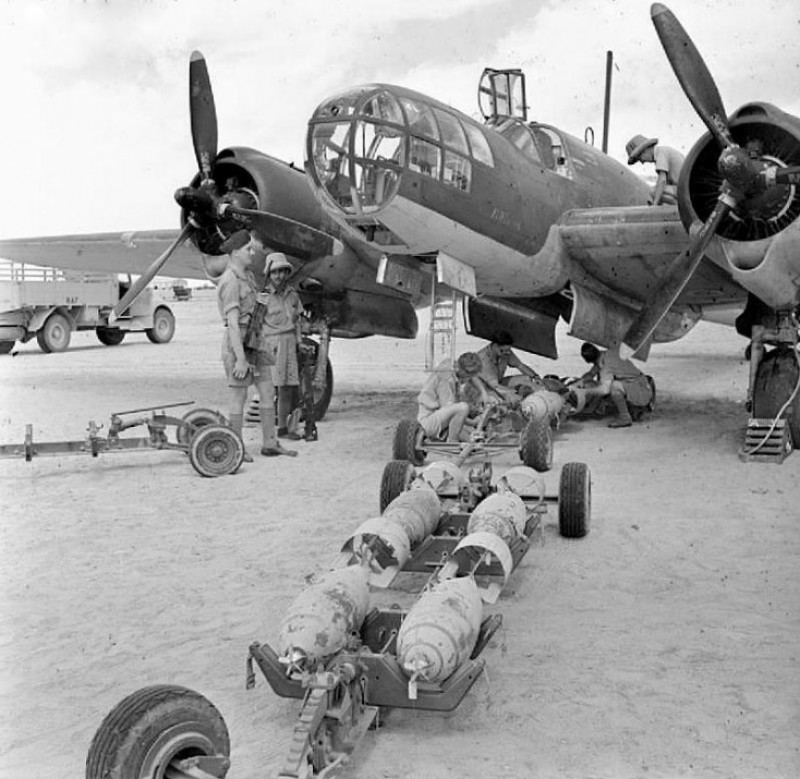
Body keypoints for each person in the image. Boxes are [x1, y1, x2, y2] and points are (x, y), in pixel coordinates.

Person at [216, 230, 296, 458]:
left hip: (255, 339)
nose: (252, 253)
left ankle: (270, 443)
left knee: (267, 389)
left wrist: (260, 304)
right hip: (239, 343)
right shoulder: (230, 281)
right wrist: (241, 360)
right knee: (239, 396)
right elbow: (233, 324)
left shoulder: (248, 276)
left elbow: (251, 308)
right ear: (234, 253)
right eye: (248, 249)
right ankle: (236, 449)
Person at [259, 251, 305, 440]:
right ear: (269, 274)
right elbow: (256, 325)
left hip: (289, 343)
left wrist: (300, 342)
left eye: (282, 271)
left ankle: (283, 429)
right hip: (272, 345)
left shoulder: (292, 295)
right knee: (271, 389)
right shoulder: (263, 297)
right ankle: (269, 432)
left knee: (287, 388)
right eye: (275, 272)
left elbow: (297, 321)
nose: (279, 276)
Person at [573, 342, 654, 428]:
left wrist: (585, 391)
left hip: (642, 392)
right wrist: (581, 381)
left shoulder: (606, 367)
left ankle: (625, 417)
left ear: (587, 361)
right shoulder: (606, 354)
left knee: (613, 386)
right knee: (605, 384)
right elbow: (591, 373)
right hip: (643, 383)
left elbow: (605, 390)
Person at [417, 352, 484, 442]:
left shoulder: (453, 366)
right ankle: (452, 443)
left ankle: (469, 442)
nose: (468, 379)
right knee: (463, 407)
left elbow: (472, 377)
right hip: (429, 420)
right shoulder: (445, 377)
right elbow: (448, 407)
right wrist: (473, 422)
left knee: (472, 434)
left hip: (440, 417)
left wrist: (484, 394)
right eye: (468, 375)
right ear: (462, 370)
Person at [476, 332, 541, 400]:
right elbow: (495, 387)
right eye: (504, 351)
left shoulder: (505, 352)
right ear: (495, 346)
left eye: (508, 350)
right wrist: (517, 390)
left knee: (526, 379)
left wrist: (535, 377)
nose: (507, 353)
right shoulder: (483, 360)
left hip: (498, 383)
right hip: (486, 390)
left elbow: (520, 365)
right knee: (514, 396)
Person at [625, 134, 685, 206]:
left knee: (653, 192)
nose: (642, 162)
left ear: (645, 151)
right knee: (660, 196)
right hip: (683, 188)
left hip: (684, 189)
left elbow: (662, 180)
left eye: (640, 158)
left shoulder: (661, 154)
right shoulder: (663, 152)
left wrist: (655, 204)